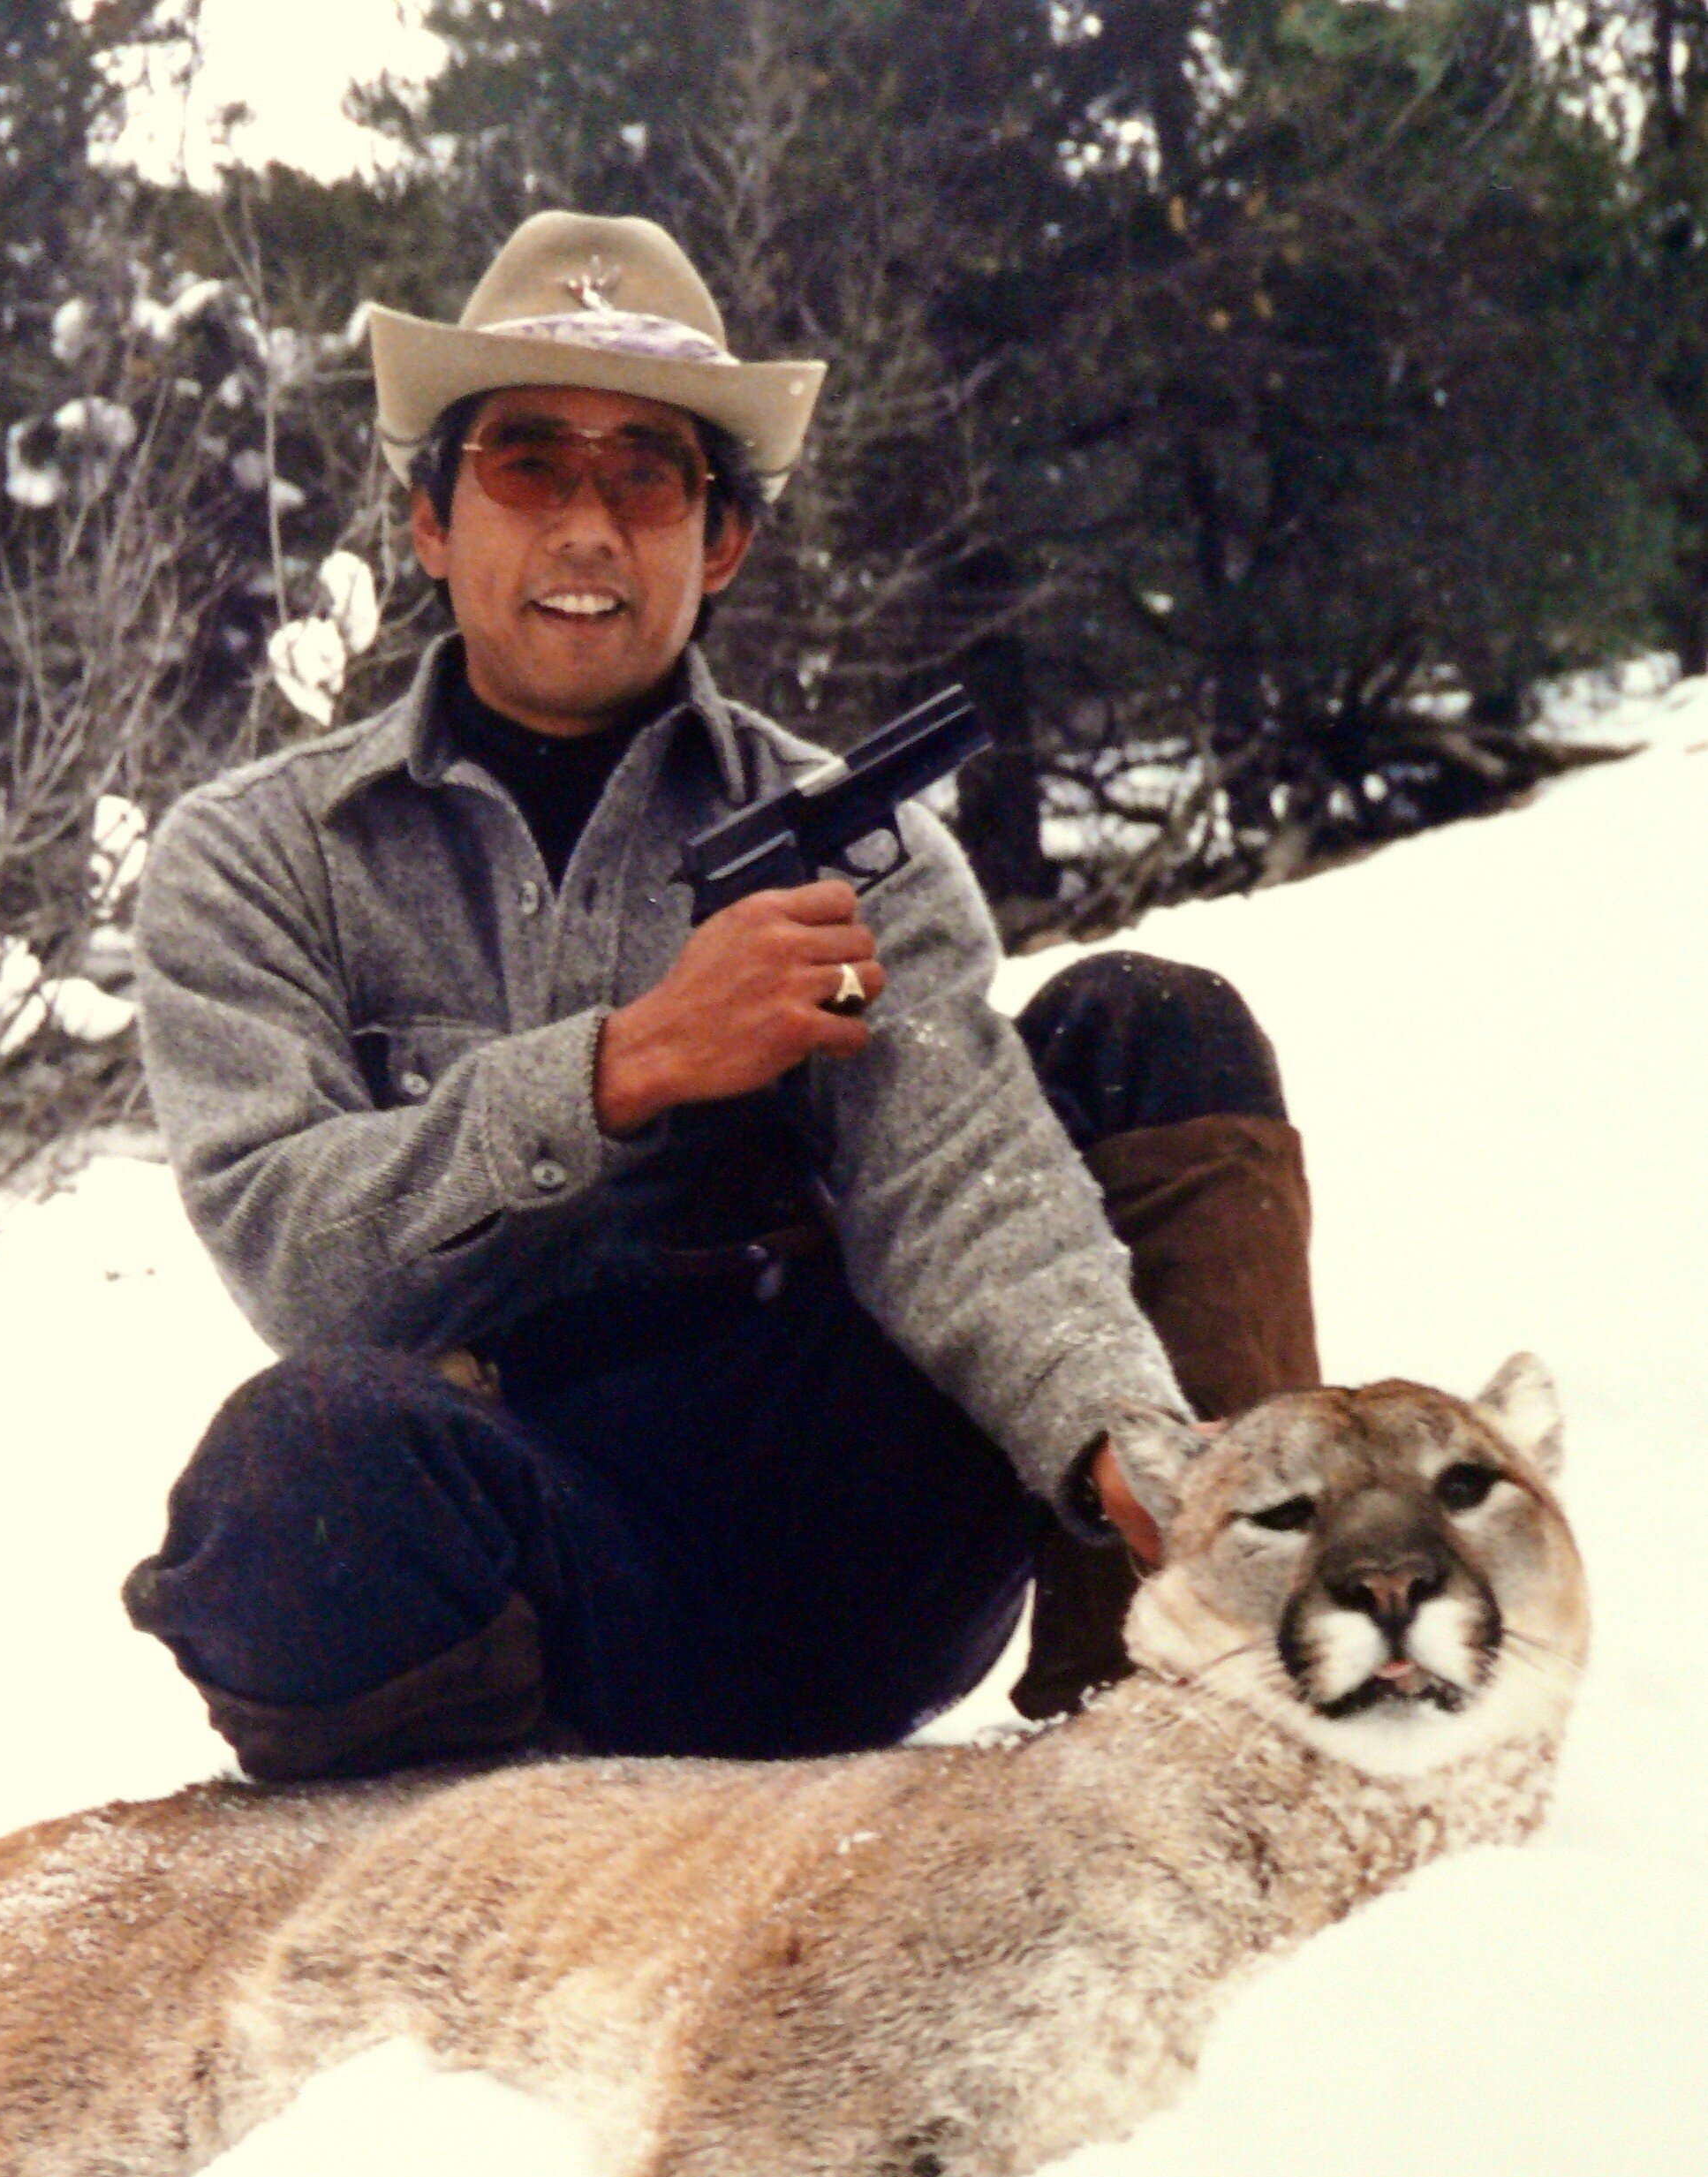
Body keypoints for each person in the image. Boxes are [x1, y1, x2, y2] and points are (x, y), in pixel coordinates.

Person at [124, 211, 1319, 1780]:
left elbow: (961, 1176)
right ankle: (462, 1896)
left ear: (722, 542)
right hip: (532, 1585)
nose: (587, 526)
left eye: (647, 476)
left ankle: (1192, 1713)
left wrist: (1126, 1440)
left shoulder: (851, 839)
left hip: (853, 1538)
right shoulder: (253, 857)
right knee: (294, 1474)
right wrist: (620, 1070)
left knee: (1155, 1029)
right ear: (430, 522)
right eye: (530, 464)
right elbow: (304, 1264)